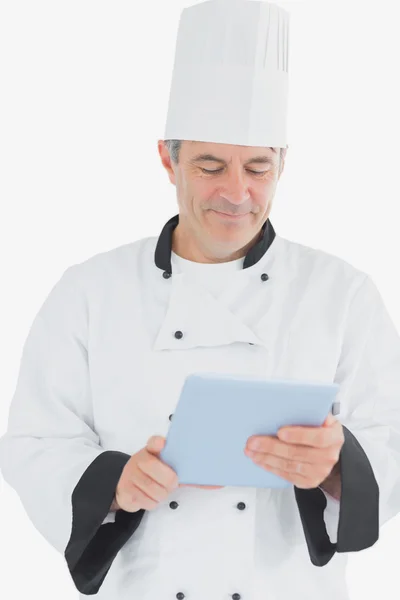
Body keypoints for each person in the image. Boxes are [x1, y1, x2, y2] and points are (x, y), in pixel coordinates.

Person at [1, 1, 400, 599]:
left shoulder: (342, 294)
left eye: (258, 168)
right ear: (169, 158)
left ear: (284, 164)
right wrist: (114, 484)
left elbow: (391, 438)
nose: (236, 193)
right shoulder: (90, 291)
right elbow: (36, 441)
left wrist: (339, 468)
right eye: (211, 165)